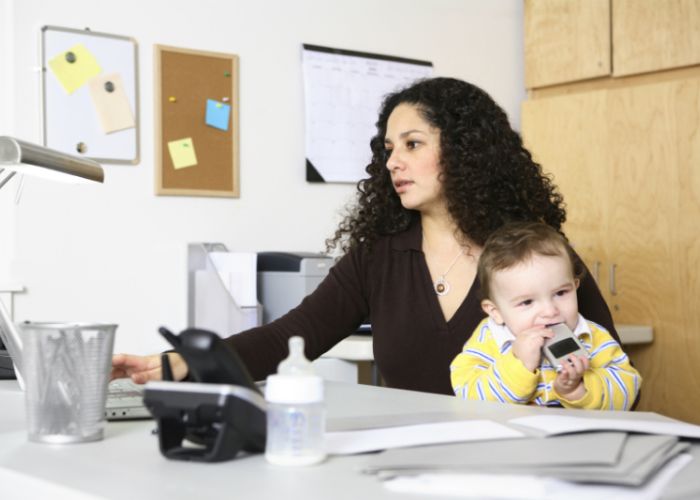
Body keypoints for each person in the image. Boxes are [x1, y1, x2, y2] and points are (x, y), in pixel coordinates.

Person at [112, 77, 622, 395]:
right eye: (387, 148)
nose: (393, 161)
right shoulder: (378, 256)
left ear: (467, 152)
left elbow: (617, 376)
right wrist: (184, 362)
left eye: (412, 144)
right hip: (408, 473)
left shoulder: (535, 255)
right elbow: (289, 338)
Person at [450, 222, 641, 410]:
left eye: (560, 293)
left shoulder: (593, 337)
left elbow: (627, 388)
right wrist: (519, 365)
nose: (550, 311)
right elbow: (469, 397)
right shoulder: (489, 339)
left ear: (575, 286)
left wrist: (578, 389)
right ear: (496, 312)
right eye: (527, 302)